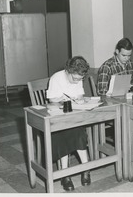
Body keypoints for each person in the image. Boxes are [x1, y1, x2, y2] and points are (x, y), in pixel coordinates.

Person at [46, 56, 91, 191]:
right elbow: (52, 100)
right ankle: (65, 174)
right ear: (67, 71)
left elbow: (80, 95)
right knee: (62, 133)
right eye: (75, 78)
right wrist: (62, 100)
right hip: (58, 117)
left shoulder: (78, 78)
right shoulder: (56, 78)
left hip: (74, 116)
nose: (77, 81)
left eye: (80, 79)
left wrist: (79, 100)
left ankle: (86, 168)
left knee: (78, 131)